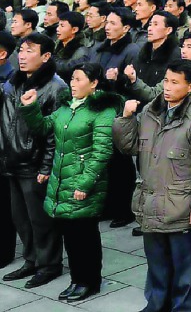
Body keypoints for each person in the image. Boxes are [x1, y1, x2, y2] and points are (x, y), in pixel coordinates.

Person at [111, 59, 191, 312]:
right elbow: (128, 146)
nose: (167, 88)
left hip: (181, 205)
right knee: (157, 263)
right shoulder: (152, 109)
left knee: (184, 268)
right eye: (166, 81)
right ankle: (157, 304)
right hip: (150, 200)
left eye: (175, 83)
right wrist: (125, 119)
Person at [16, 62, 121, 302]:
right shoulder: (66, 107)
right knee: (71, 237)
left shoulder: (102, 111)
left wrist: (84, 184)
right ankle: (77, 279)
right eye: (71, 79)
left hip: (83, 183)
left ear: (94, 83)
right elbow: (43, 128)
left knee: (85, 236)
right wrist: (30, 107)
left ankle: (90, 281)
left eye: (79, 79)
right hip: (62, 181)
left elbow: (101, 152)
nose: (73, 84)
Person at [0, 33, 67, 288]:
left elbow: (55, 133)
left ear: (46, 56)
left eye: (30, 51)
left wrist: (46, 165)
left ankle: (49, 264)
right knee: (21, 218)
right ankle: (31, 259)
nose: (23, 56)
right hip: (11, 159)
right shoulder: (13, 82)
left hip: (34, 163)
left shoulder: (55, 87)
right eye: (22, 50)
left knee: (41, 219)